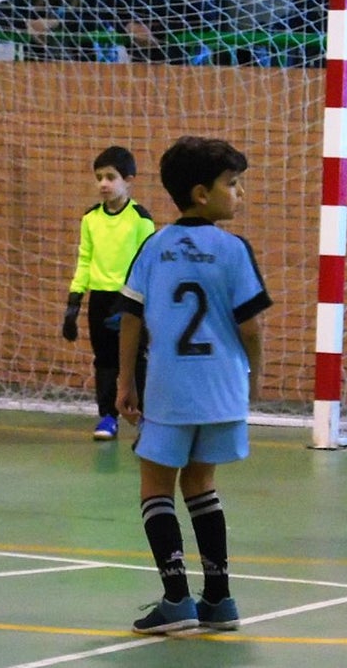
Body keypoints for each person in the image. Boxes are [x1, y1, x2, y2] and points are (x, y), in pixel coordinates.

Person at [114, 136, 272, 633]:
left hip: (171, 389)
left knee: (155, 487)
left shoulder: (155, 246)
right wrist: (255, 376)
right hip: (223, 390)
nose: (240, 192)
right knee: (202, 484)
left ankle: (177, 599)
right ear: (202, 193)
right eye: (233, 184)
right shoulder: (234, 249)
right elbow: (252, 327)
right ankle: (220, 599)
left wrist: (125, 382)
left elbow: (131, 317)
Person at [61, 146, 154, 441]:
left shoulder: (140, 219)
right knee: (104, 359)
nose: (103, 183)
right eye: (99, 177)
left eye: (110, 177)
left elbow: (146, 264)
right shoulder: (90, 218)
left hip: (131, 300)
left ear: (128, 180)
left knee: (137, 359)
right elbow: (84, 260)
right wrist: (74, 302)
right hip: (100, 299)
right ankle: (107, 416)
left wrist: (134, 302)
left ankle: (147, 420)